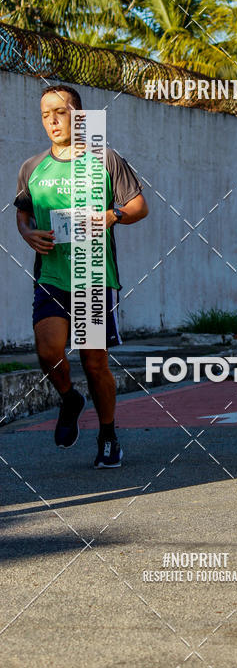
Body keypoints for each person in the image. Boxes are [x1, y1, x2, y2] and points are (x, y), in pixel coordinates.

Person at [14, 85, 148, 467]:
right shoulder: (32, 167)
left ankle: (108, 433)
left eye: (60, 111)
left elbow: (139, 205)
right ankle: (70, 398)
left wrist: (112, 216)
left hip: (92, 276)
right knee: (48, 350)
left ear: (79, 115)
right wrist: (27, 233)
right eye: (45, 114)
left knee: (94, 363)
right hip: (53, 275)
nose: (53, 121)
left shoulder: (104, 158)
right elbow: (23, 210)